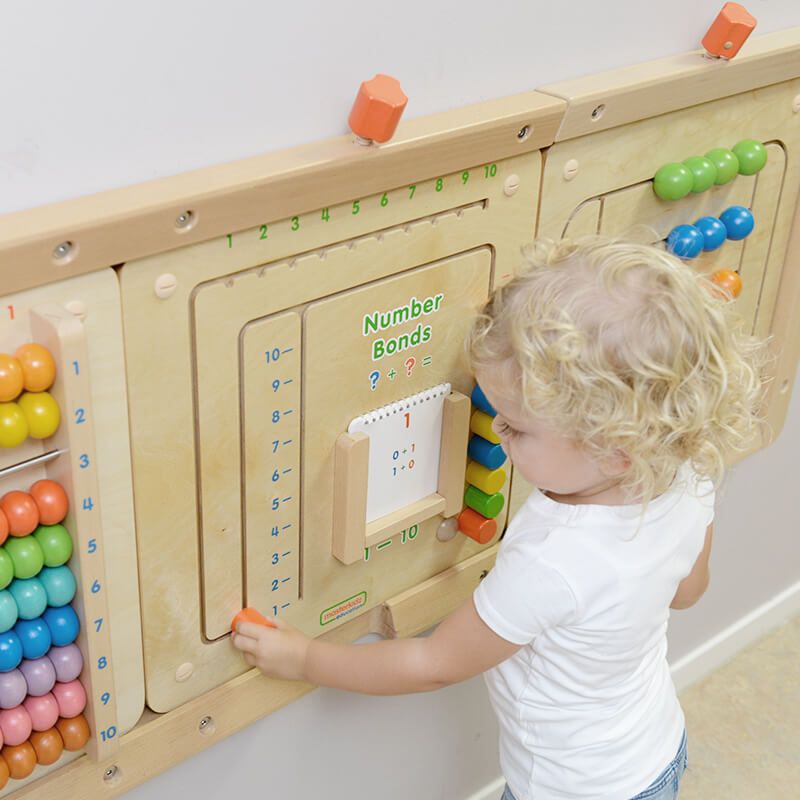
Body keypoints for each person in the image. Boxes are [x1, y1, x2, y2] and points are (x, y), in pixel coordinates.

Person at [231, 237, 767, 800]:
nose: (496, 434)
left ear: (615, 449)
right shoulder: (687, 471)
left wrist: (305, 657)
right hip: (655, 752)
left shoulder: (552, 558)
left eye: (515, 427)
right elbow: (687, 592)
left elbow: (433, 663)